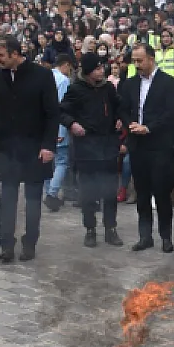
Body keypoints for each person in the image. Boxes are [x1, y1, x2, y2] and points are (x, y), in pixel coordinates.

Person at [0, 35, 59, 263]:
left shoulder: (42, 75)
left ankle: (30, 243)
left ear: (15, 54)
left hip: (35, 148)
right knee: (7, 199)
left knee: (33, 201)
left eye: (1, 55)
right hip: (7, 148)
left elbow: (52, 113)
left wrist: (48, 145)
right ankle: (6, 245)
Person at [119, 43, 174, 253]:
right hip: (138, 145)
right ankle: (145, 236)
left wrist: (148, 128)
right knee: (142, 192)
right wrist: (131, 125)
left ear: (151, 59)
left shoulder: (168, 82)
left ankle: (166, 236)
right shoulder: (129, 84)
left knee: (161, 193)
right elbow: (124, 110)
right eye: (134, 61)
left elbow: (170, 113)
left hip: (159, 145)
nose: (136, 65)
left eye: (140, 60)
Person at [59, 52, 124, 248]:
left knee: (110, 192)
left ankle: (110, 229)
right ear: (87, 72)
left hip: (108, 147)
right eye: (96, 68)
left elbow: (119, 107)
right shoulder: (76, 89)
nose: (101, 71)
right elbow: (62, 111)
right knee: (88, 193)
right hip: (86, 149)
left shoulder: (109, 88)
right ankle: (90, 229)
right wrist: (72, 125)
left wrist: (120, 119)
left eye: (101, 67)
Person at [43, 54, 74, 212]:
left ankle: (49, 192)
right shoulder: (63, 80)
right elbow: (61, 108)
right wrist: (61, 130)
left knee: (48, 161)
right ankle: (52, 193)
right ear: (66, 65)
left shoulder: (46, 77)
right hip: (58, 128)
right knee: (61, 161)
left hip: (45, 127)